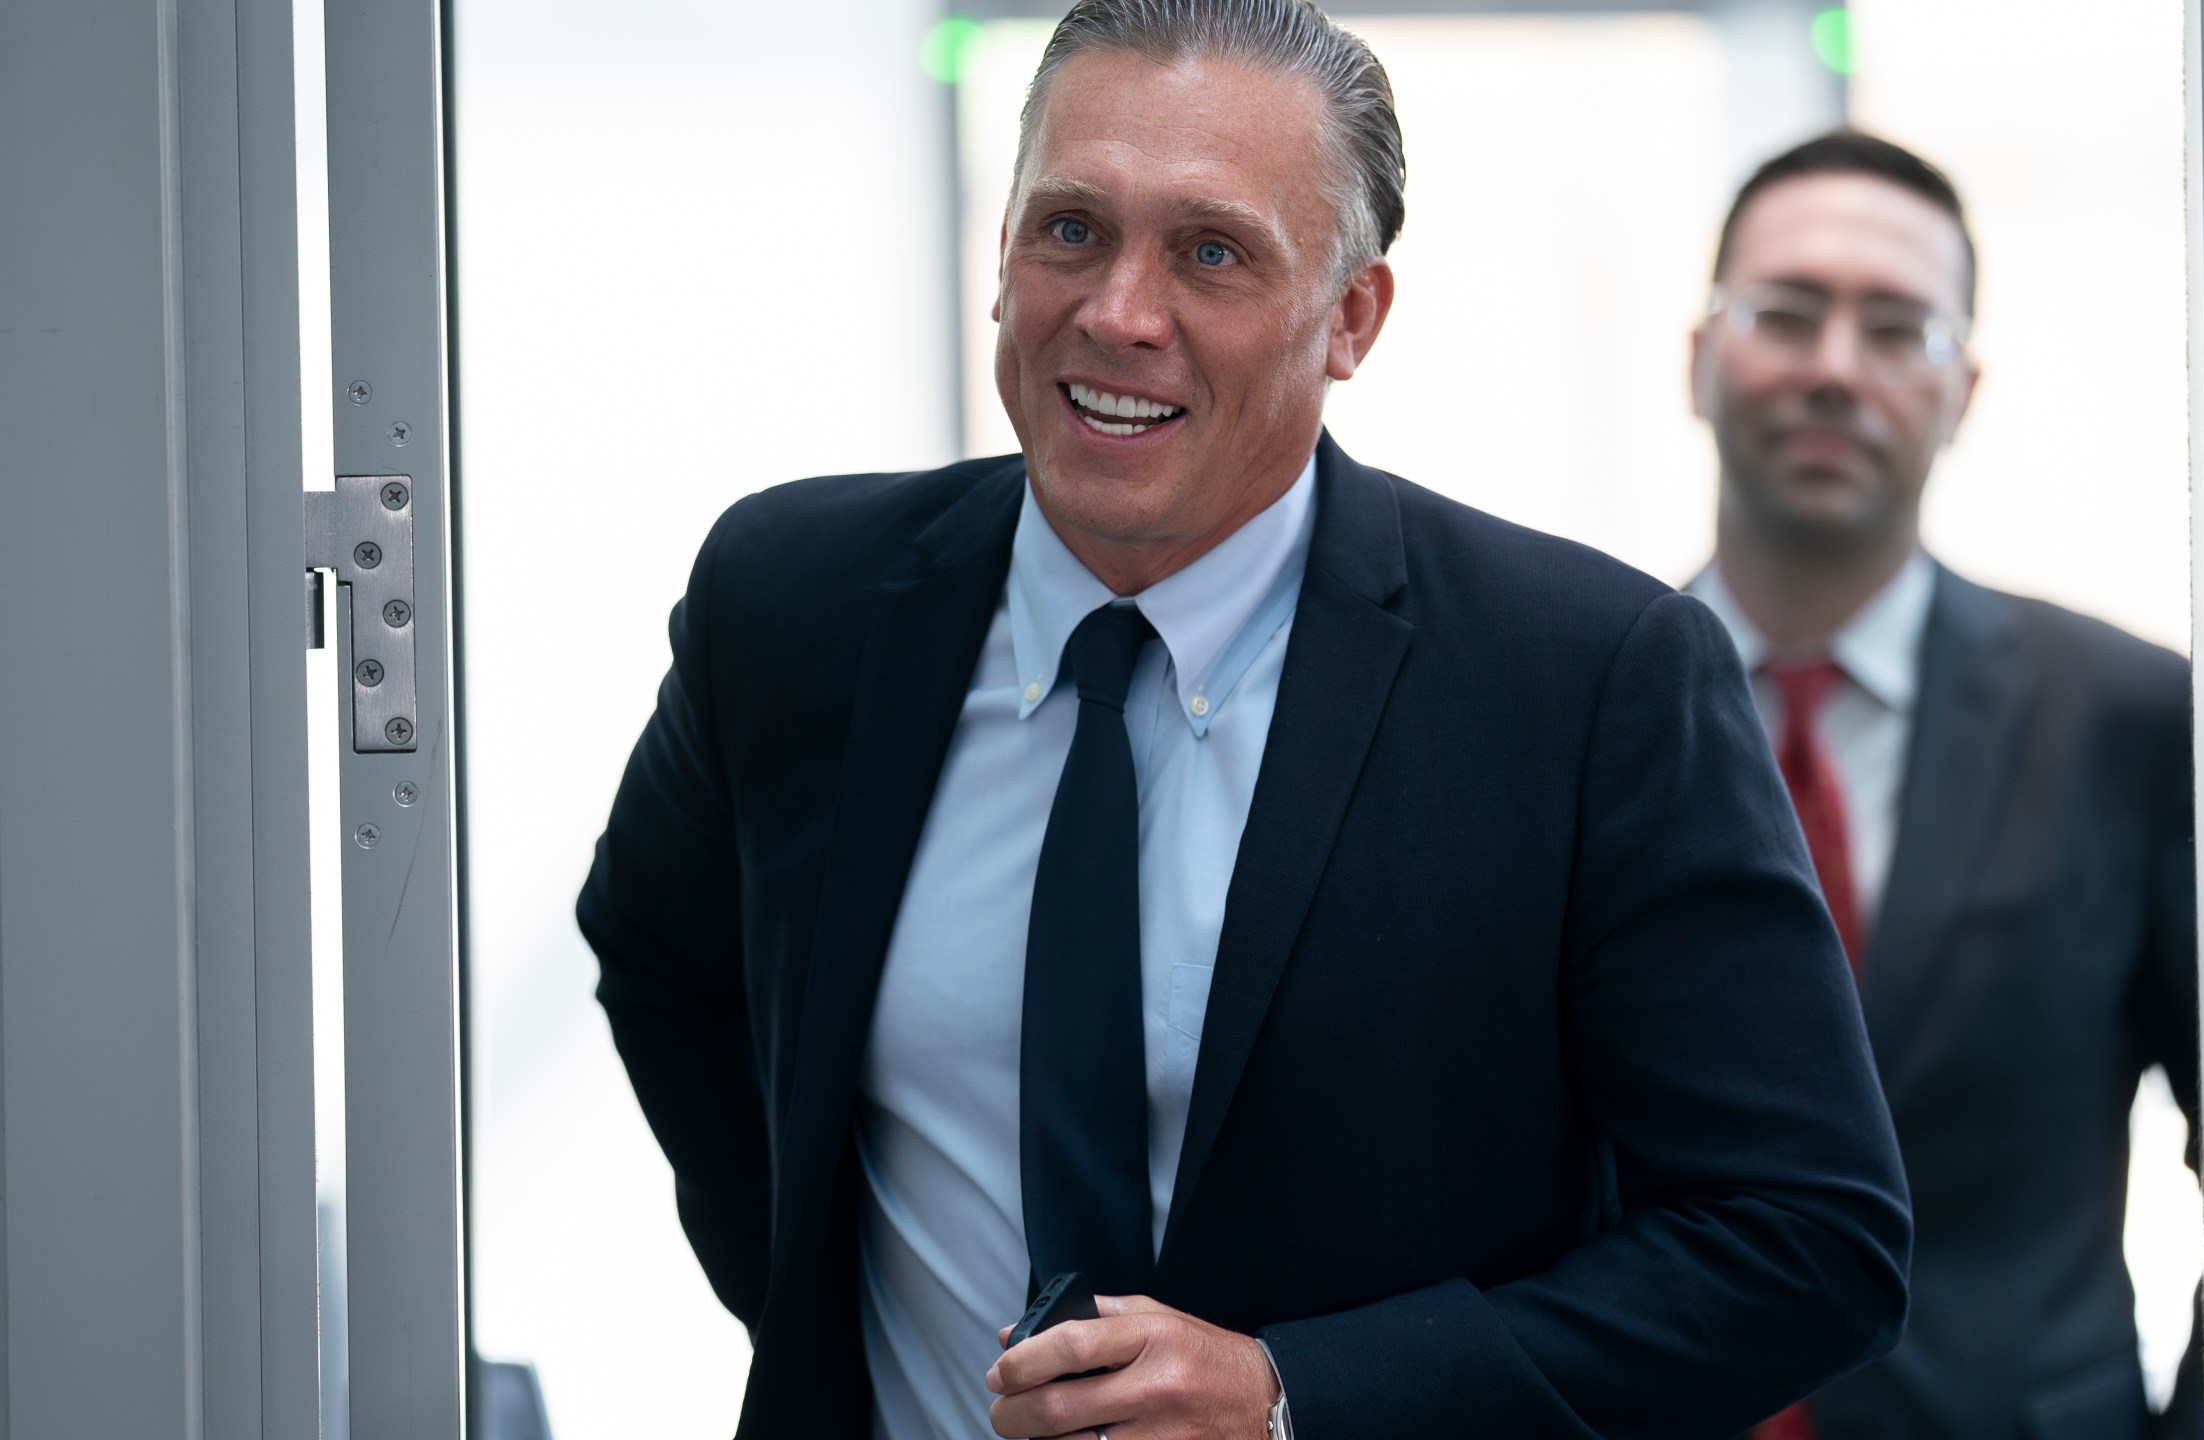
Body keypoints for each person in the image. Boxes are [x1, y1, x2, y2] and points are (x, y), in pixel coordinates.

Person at [579, 3, 1912, 1436]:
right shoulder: (794, 604)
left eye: (1210, 252)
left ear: (1351, 318)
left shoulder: (1588, 681)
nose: (1119, 314)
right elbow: (664, 960)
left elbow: (1804, 1241)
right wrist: (819, 1311)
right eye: (1071, 229)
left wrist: (1298, 1400)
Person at [1682, 130, 2202, 1440]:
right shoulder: (1572, 707)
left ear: (1963, 387)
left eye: (1897, 328)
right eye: (1786, 314)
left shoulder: (2125, 720)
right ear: (1699, 357)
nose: (1834, 368)